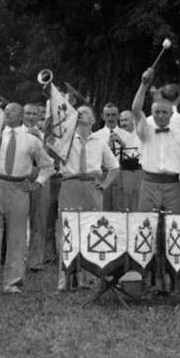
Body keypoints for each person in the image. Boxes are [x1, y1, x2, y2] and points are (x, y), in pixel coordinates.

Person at [131, 68, 180, 294]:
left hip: (173, 185)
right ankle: (146, 279)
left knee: (174, 232)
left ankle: (173, 281)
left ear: (172, 114)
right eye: (157, 112)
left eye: (164, 112)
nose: (160, 116)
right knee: (145, 230)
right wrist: (143, 84)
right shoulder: (145, 131)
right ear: (152, 113)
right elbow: (135, 109)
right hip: (149, 184)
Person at [0, 103, 52, 295]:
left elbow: (47, 166)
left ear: (21, 117)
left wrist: (38, 183)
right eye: (6, 111)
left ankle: (13, 284)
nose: (7, 113)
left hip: (19, 188)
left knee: (17, 237)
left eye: (12, 111)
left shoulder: (31, 140)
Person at [56, 105, 120, 291]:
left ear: (93, 120)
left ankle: (89, 278)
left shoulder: (99, 142)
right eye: (78, 112)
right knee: (67, 232)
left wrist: (105, 183)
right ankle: (65, 279)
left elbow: (114, 166)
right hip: (70, 185)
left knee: (92, 230)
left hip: (92, 186)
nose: (81, 114)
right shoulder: (65, 140)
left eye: (86, 112)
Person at [91, 103, 141, 211]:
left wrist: (123, 144)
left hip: (123, 176)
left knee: (121, 207)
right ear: (103, 117)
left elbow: (134, 158)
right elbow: (93, 160)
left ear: (118, 116)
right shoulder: (95, 136)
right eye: (107, 115)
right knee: (104, 207)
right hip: (104, 175)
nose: (111, 118)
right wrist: (106, 148)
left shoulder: (128, 135)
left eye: (114, 115)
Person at [23, 102, 54, 273]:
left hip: (41, 174)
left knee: (39, 218)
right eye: (27, 113)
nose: (30, 117)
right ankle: (18, 257)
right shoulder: (16, 133)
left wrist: (40, 140)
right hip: (22, 174)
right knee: (19, 218)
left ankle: (35, 260)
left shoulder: (45, 135)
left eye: (34, 114)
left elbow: (52, 161)